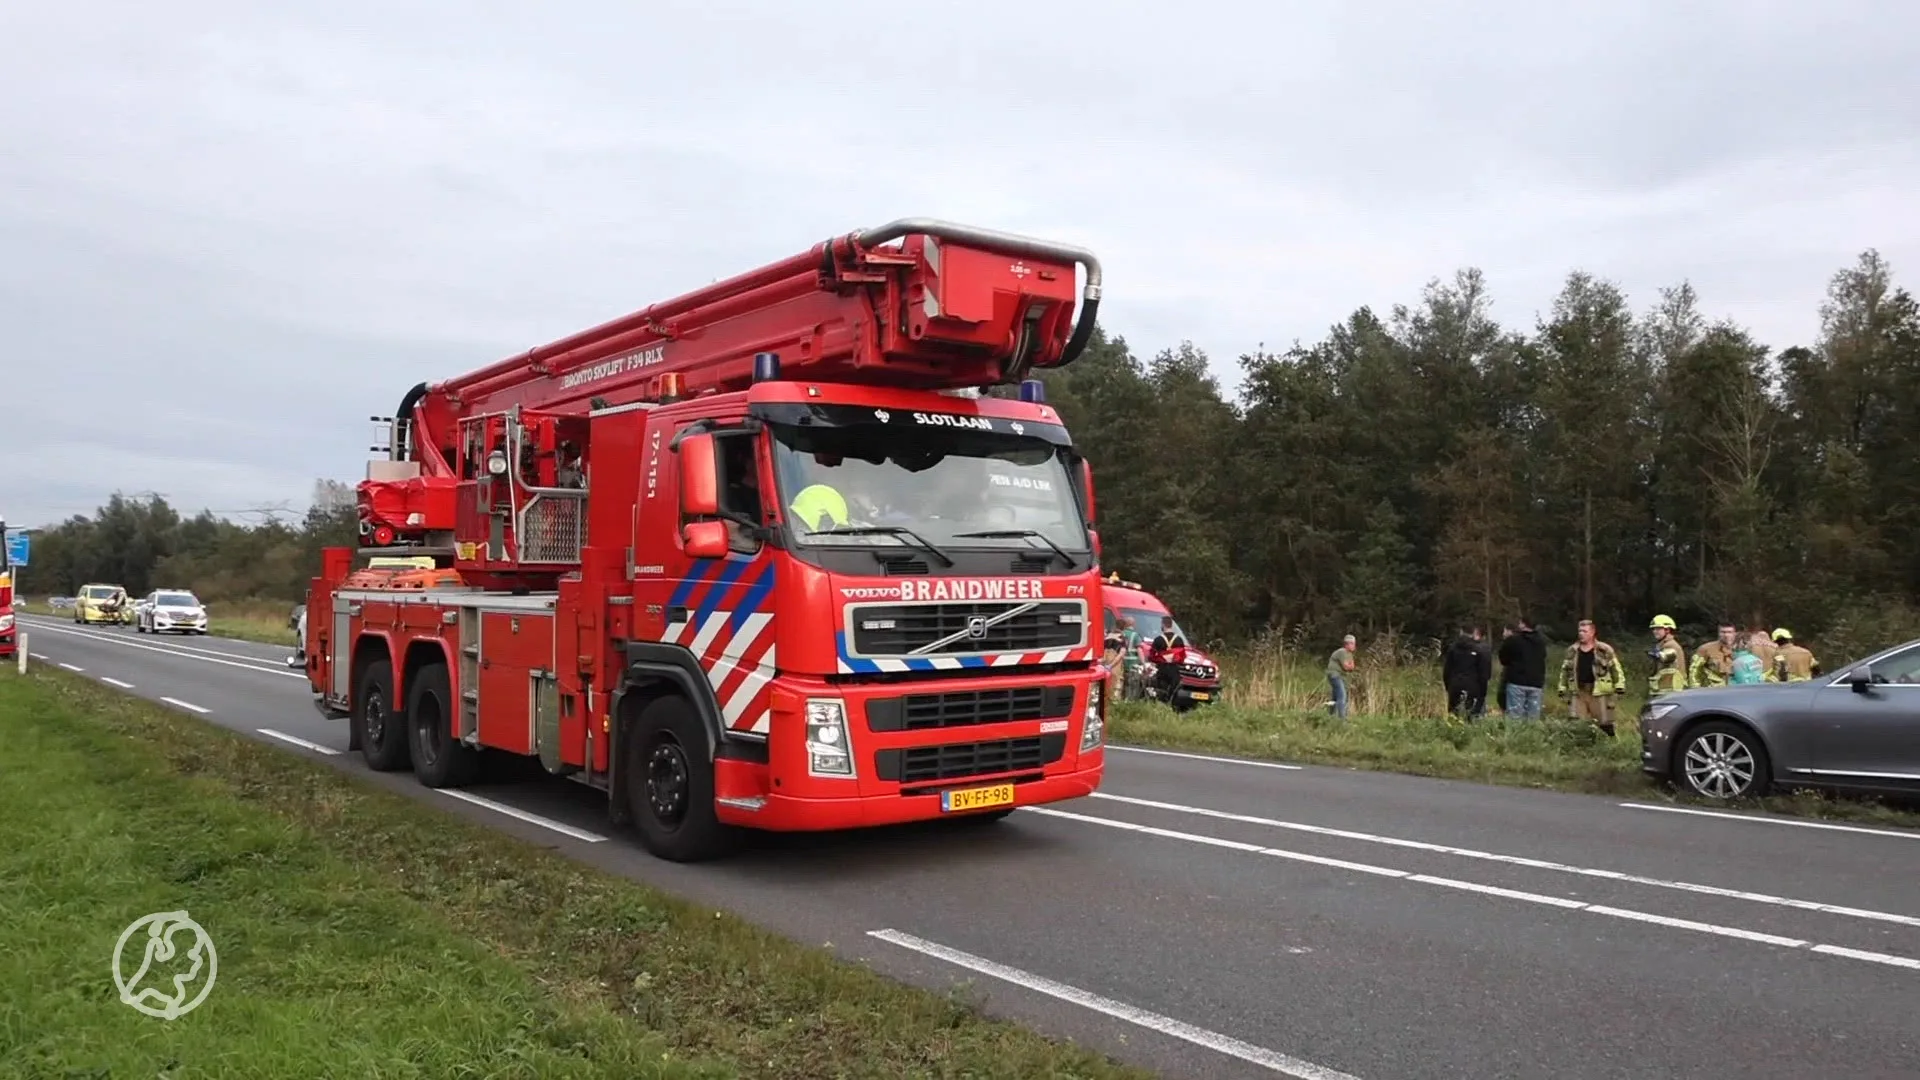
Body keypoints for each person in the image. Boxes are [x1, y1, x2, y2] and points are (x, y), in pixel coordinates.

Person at [1557, 619, 1626, 736]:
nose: (1581, 634)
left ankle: (1610, 746)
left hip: (1599, 691)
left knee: (1605, 723)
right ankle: (1580, 746)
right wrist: (1562, 688)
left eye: (1584, 631)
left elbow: (1615, 668)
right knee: (1576, 723)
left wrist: (1620, 687)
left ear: (1592, 632)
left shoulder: (1604, 650)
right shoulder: (1572, 650)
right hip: (1578, 691)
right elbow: (1564, 670)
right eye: (1580, 631)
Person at [1497, 616, 1548, 720]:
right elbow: (1543, 657)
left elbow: (1503, 658)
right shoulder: (1541, 642)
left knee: (1515, 717)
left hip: (1517, 682)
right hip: (1536, 682)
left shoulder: (1513, 640)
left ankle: (1516, 735)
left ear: (1523, 624)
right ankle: (1531, 735)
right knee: (1533, 718)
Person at [1442, 626, 1491, 719]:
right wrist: (1483, 692)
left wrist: (1448, 686)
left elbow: (1447, 670)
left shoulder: (1453, 649)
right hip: (1473, 687)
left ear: (1461, 632)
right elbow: (1483, 674)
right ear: (1473, 634)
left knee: (1454, 715)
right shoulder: (1478, 650)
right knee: (1471, 715)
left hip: (1455, 685)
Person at [1647, 614, 1689, 694]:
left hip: (1671, 688)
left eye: (1658, 629)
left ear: (1667, 630)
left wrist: (1656, 654)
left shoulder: (1671, 645)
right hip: (1665, 687)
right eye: (1654, 629)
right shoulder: (1662, 644)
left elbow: (1665, 657)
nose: (1655, 631)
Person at [1689, 622, 1738, 688]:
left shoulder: (1741, 649)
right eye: (1723, 632)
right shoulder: (1706, 649)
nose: (1726, 635)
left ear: (1735, 634)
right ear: (1718, 633)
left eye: (1729, 632)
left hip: (1735, 689)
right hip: (1713, 690)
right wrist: (1696, 689)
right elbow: (1694, 670)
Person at [1326, 634, 1357, 719]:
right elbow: (1346, 667)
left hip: (1340, 676)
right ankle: (1342, 719)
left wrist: (1349, 666)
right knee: (1342, 696)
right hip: (1335, 675)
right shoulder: (1342, 652)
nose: (1354, 645)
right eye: (1353, 643)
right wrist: (1348, 666)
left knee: (1335, 697)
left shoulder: (1349, 654)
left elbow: (1352, 667)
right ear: (1347, 644)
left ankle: (1330, 716)